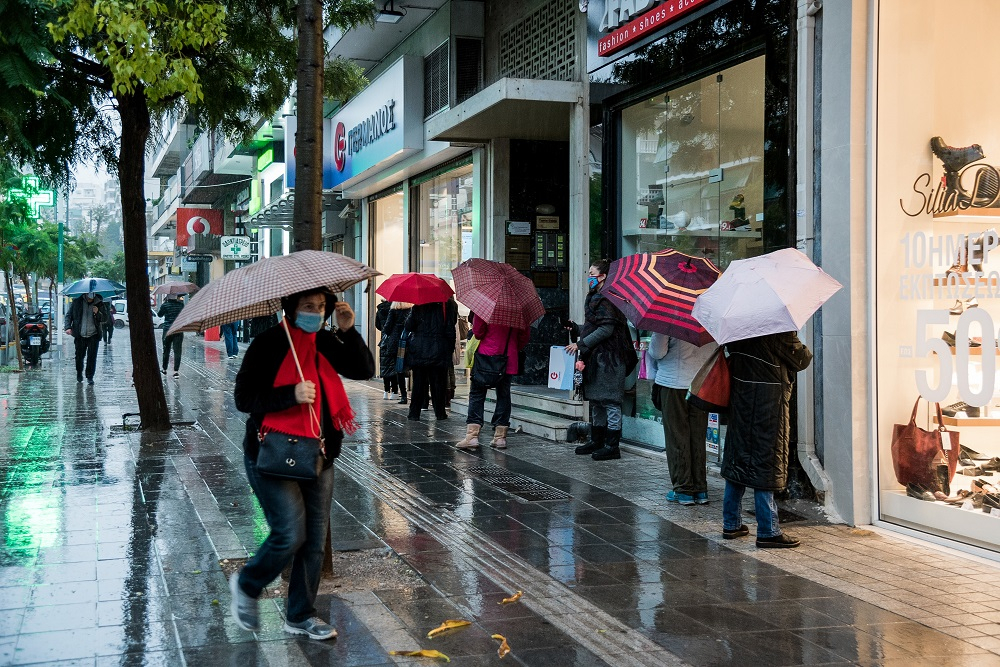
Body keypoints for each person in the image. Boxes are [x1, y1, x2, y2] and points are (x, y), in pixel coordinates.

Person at [229, 289, 374, 640]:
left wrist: (349, 330)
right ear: (291, 309)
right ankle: (248, 584)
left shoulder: (323, 341)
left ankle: (299, 615)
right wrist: (289, 395)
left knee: (313, 540)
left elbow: (363, 369)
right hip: (272, 453)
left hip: (320, 454)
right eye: (308, 307)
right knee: (289, 534)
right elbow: (244, 398)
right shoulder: (269, 343)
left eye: (322, 306)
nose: (316, 312)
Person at [721, 331, 812, 548]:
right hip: (768, 405)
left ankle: (731, 523)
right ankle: (768, 530)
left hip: (741, 400)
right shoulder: (777, 329)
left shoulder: (737, 327)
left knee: (738, 459)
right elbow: (803, 359)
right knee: (766, 461)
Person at [565, 260, 637, 461]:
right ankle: (597, 440)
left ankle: (612, 445)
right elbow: (595, 326)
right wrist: (577, 328)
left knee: (610, 402)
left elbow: (606, 329)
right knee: (596, 401)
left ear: (603, 276)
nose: (588, 277)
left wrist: (580, 344)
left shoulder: (608, 299)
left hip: (610, 359)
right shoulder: (596, 297)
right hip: (598, 359)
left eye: (592, 273)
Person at [647, 332, 716, 505]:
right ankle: (700, 489)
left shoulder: (670, 316)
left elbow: (657, 352)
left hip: (674, 384)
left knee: (677, 436)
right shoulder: (710, 316)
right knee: (698, 436)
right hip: (702, 385)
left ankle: (683, 489)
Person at [457, 316, 530, 450]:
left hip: (487, 356)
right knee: (503, 395)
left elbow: (478, 332)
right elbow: (524, 337)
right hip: (508, 359)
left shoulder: (487, 307)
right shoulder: (519, 311)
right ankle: (500, 438)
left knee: (477, 394)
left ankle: (472, 436)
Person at [404, 297, 458, 422]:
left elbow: (409, 325)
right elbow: (451, 328)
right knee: (439, 383)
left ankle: (414, 413)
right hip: (439, 349)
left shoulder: (419, 303)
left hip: (419, 349)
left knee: (418, 383)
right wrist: (449, 349)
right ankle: (440, 413)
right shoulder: (449, 304)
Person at [65, 291, 109, 385]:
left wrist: (97, 313)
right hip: (79, 334)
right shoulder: (77, 302)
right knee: (79, 356)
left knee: (92, 357)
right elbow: (69, 315)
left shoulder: (100, 303)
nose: (91, 297)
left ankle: (90, 376)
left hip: (94, 334)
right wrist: (68, 327)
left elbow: (105, 318)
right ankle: (79, 373)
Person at [377, 301, 411, 404]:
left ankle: (403, 396)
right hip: (408, 341)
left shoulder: (393, 310)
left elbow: (387, 328)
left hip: (396, 343)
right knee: (409, 367)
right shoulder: (410, 310)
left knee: (399, 369)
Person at [158, 295, 185, 378]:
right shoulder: (181, 305)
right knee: (177, 351)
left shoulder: (165, 305)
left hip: (167, 330)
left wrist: (164, 305)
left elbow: (159, 315)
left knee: (166, 350)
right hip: (178, 329)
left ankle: (164, 369)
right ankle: (176, 371)